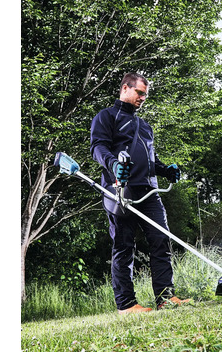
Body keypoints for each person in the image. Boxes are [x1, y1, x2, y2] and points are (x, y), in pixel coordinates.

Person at [90, 72, 191, 314]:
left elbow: (149, 160)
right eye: (139, 92)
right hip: (120, 191)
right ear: (125, 88)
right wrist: (115, 165)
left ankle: (165, 297)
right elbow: (98, 148)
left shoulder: (144, 127)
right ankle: (126, 305)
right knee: (124, 246)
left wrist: (165, 170)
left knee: (160, 240)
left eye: (145, 94)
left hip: (149, 192)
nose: (143, 98)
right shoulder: (107, 117)